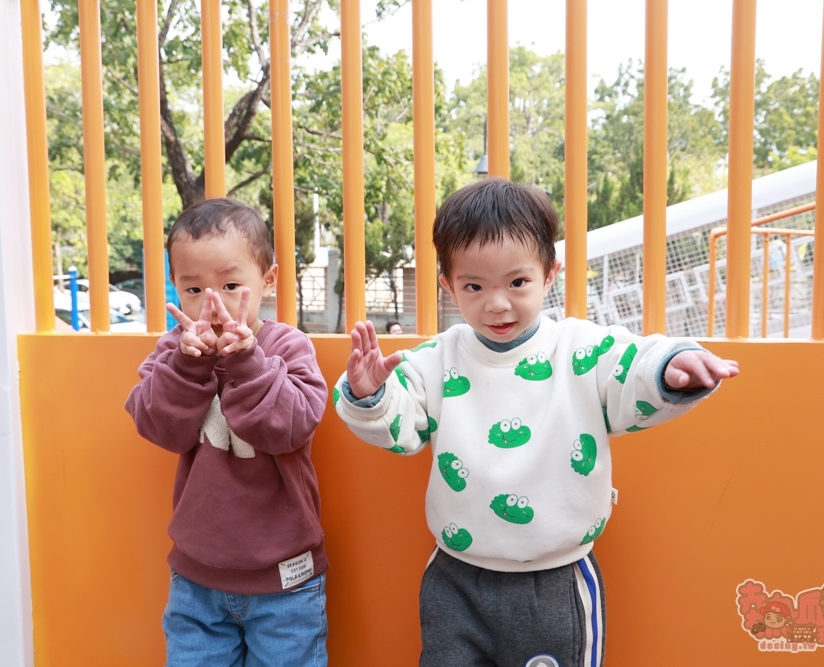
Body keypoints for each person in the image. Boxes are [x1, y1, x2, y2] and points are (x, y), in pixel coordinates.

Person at [333, 178, 739, 667]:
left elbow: (634, 363)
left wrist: (672, 368)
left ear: (550, 273)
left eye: (517, 282)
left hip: (556, 580)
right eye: (474, 287)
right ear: (448, 284)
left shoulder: (580, 350)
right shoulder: (435, 360)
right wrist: (369, 394)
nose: (497, 304)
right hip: (456, 577)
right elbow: (400, 429)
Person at [125, 198, 330, 667]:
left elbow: (291, 426)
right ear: (175, 286)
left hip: (286, 583)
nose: (212, 304)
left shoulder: (287, 346)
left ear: (269, 280)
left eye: (231, 285)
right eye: (193, 288)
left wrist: (245, 360)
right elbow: (156, 425)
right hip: (197, 581)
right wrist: (184, 365)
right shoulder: (175, 350)